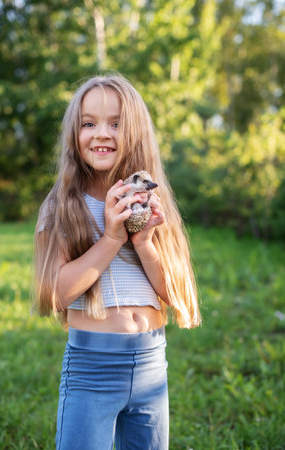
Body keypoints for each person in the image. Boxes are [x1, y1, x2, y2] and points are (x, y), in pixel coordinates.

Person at [33, 74, 201, 450]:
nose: (101, 133)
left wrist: (143, 243)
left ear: (137, 132)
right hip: (92, 370)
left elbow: (174, 293)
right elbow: (56, 294)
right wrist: (111, 238)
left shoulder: (151, 204)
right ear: (74, 135)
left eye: (116, 123)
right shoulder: (63, 206)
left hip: (152, 367)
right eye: (89, 123)